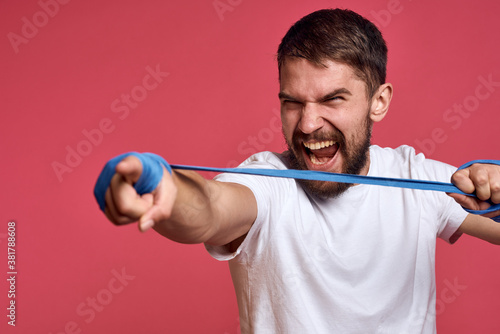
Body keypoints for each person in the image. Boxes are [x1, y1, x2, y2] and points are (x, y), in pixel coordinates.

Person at [96, 8, 500, 333]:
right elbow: (210, 209)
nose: (308, 125)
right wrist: (160, 184)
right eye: (293, 102)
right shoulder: (266, 182)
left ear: (379, 101)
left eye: (332, 99)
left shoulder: (416, 177)